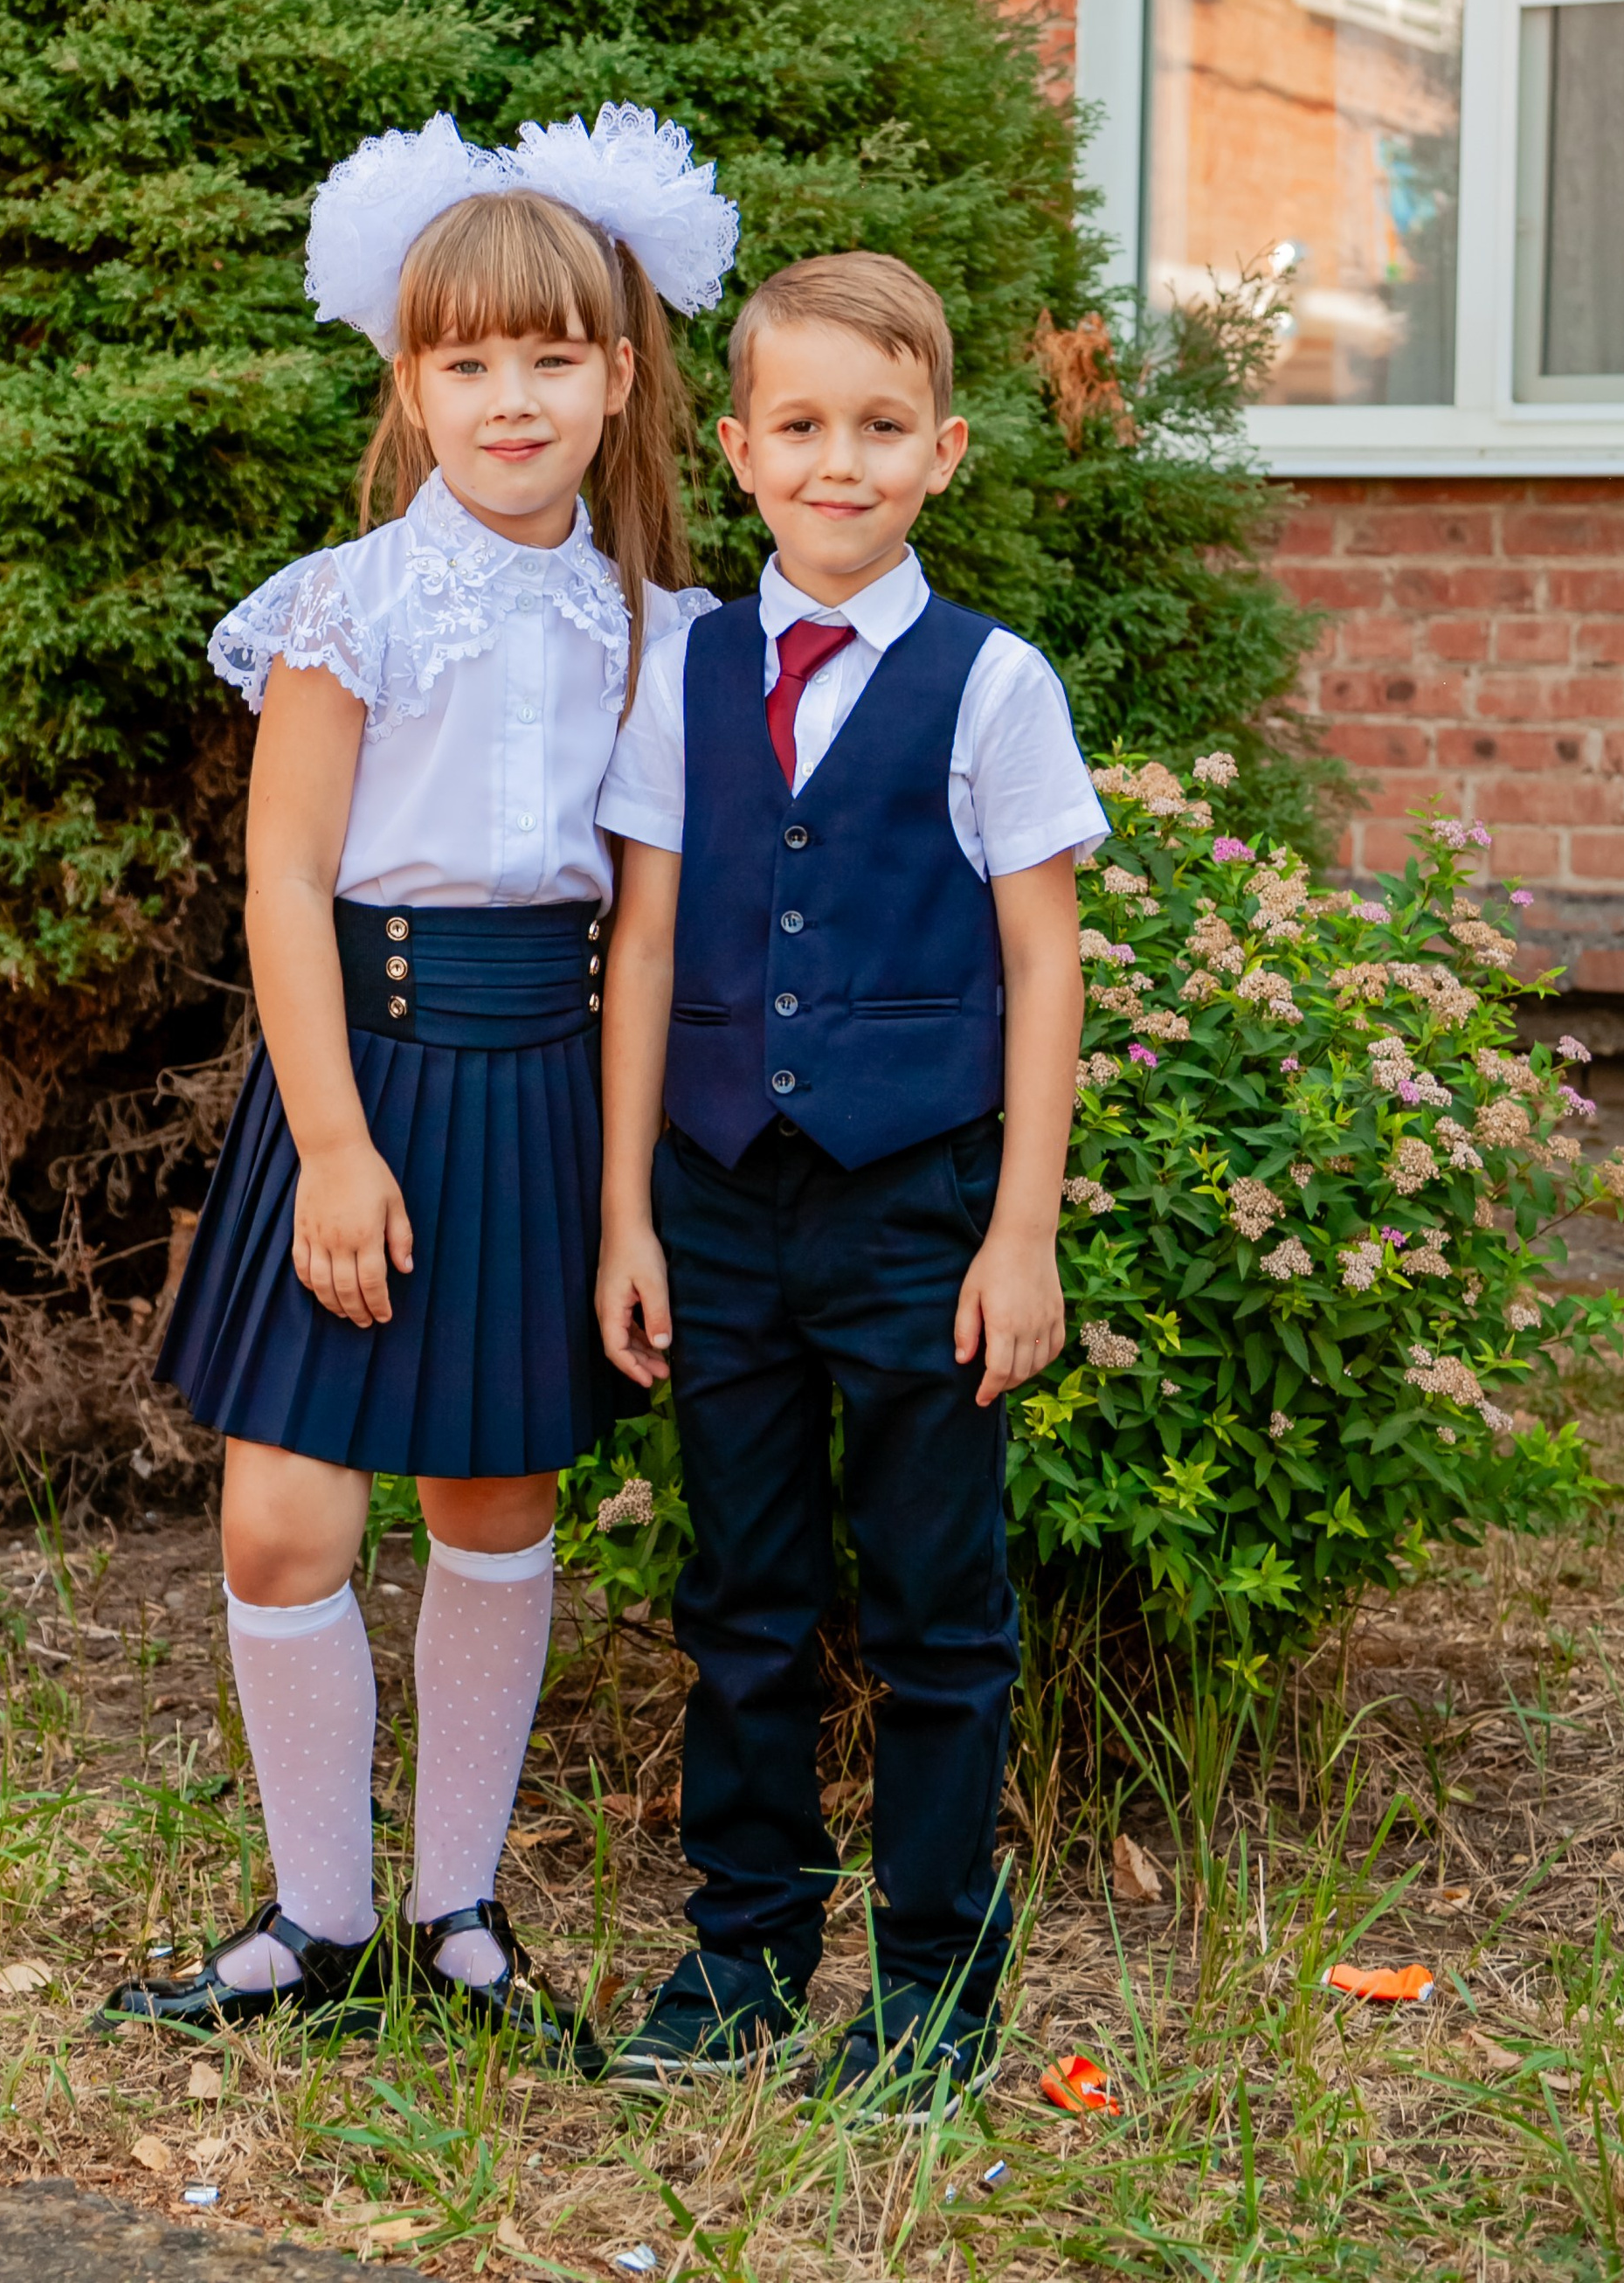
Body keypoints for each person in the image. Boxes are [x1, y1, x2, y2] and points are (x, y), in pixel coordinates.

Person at [102, 106, 736, 2064]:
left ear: (617, 376)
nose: (509, 399)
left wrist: (623, 1210)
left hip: (539, 1085)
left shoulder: (657, 633)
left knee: (491, 1497)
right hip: (359, 1080)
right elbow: (284, 880)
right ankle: (315, 1921)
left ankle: (458, 1914)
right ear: (409, 381)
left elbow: (643, 941)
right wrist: (330, 1146)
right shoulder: (346, 602)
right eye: (465, 363)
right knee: (284, 1517)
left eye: (550, 358)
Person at [591, 249, 1106, 2114]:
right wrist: (628, 1213)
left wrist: (1020, 1232)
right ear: (738, 452)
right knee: (740, 1590)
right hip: (719, 1202)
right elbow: (645, 947)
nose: (838, 461)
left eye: (880, 427)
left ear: (941, 452)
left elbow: (1041, 961)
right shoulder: (682, 674)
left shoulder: (991, 683)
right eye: (799, 426)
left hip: (915, 1211)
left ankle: (933, 1988)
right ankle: (738, 1960)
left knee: (935, 1608)